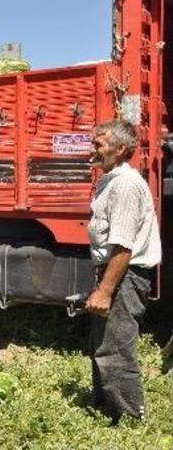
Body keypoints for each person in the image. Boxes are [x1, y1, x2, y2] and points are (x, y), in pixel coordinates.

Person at [85, 120, 162, 423]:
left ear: (120, 150)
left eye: (99, 143)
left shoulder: (126, 185)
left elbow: (123, 246)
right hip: (116, 272)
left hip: (124, 275)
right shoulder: (111, 179)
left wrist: (105, 290)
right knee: (102, 344)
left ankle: (129, 419)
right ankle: (105, 409)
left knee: (115, 347)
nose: (93, 148)